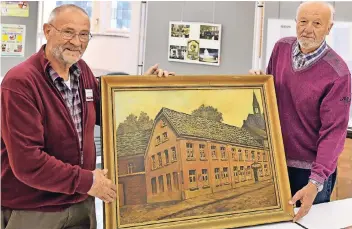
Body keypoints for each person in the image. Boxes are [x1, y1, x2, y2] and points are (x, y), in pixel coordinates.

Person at [1, 4, 174, 229]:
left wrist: (141, 88)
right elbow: (28, 162)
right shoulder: (20, 83)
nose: (77, 41)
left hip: (82, 202)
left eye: (84, 34)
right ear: (47, 31)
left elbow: (110, 111)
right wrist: (88, 181)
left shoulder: (82, 71)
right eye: (68, 32)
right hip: (35, 208)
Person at [250, 1, 351, 222]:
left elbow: (334, 133)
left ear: (329, 28)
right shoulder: (281, 48)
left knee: (308, 223)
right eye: (303, 21)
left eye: (317, 23)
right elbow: (270, 97)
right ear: (295, 23)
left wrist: (315, 181)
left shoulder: (338, 73)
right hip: (276, 162)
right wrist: (254, 83)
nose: (308, 28)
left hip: (310, 172)